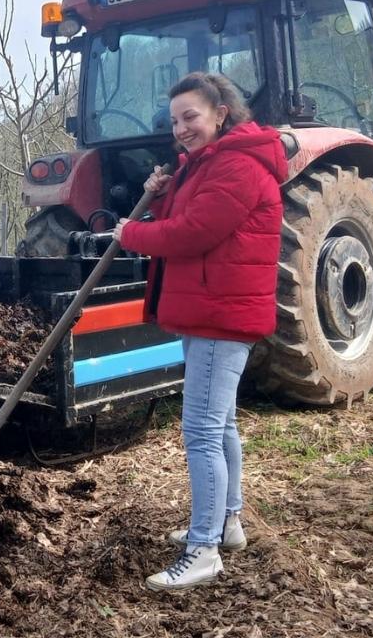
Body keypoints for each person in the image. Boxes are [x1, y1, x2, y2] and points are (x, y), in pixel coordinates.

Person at [113, 72, 286, 590]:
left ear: (220, 113)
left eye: (191, 116)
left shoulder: (238, 166)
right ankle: (228, 522)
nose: (181, 128)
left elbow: (193, 234)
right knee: (222, 423)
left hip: (220, 313)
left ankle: (204, 548)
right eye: (174, 121)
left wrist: (131, 234)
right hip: (208, 307)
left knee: (203, 431)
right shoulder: (204, 164)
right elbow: (185, 215)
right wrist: (158, 195)